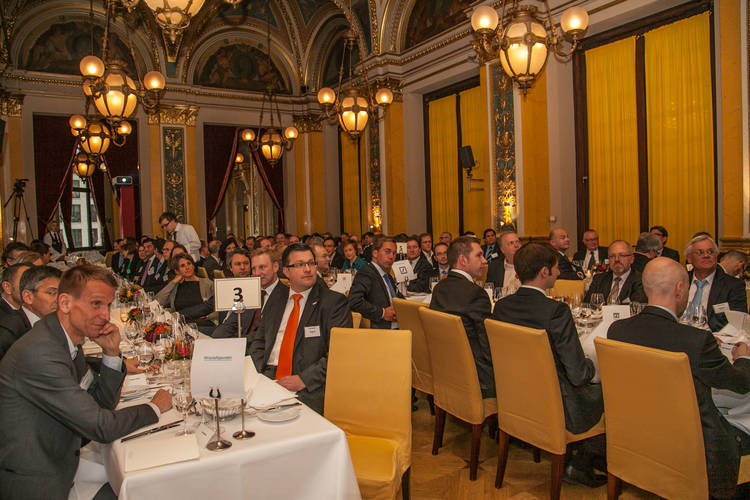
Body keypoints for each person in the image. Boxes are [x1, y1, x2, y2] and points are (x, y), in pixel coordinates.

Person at [0, 264, 171, 499]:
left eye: (108, 305)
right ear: (65, 303)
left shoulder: (64, 339)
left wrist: (111, 353)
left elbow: (101, 404)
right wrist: (154, 407)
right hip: (37, 481)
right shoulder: (42, 352)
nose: (105, 315)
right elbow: (101, 426)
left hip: (62, 458)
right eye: (96, 304)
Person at [608, 257, 750, 499]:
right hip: (697, 446)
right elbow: (739, 383)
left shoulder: (618, 330)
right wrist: (743, 357)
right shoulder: (696, 341)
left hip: (640, 433)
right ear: (680, 288)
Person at [492, 242, 604, 487]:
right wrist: (594, 367)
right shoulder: (555, 312)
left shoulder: (502, 307)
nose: (558, 272)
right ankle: (582, 463)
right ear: (544, 272)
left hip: (516, 397)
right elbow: (577, 374)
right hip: (556, 404)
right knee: (607, 390)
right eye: (555, 268)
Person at [248, 244, 352, 414]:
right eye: (299, 265)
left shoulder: (333, 303)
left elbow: (340, 353)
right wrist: (259, 374)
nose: (307, 269)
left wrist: (303, 379)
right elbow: (259, 340)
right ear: (286, 271)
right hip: (268, 377)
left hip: (306, 384)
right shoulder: (276, 299)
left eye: (311, 263)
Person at [430, 236, 494, 397]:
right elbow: (486, 344)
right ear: (463, 260)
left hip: (445, 368)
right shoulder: (476, 293)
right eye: (479, 255)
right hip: (476, 376)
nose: (484, 260)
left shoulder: (439, 288)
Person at [211, 249, 285, 339]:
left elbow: (267, 332)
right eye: (254, 269)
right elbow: (232, 323)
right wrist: (215, 340)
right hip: (241, 342)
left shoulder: (285, 295)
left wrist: (239, 343)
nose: (257, 273)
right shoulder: (250, 291)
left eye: (262, 267)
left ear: (275, 267)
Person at [684, 235, 747, 332]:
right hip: (680, 333)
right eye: (700, 252)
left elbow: (738, 322)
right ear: (689, 258)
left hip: (713, 336)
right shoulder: (680, 280)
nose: (706, 255)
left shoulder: (733, 285)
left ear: (716, 256)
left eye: (710, 252)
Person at [0, 266, 62, 360]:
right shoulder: (8, 332)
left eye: (61, 293)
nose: (59, 300)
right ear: (28, 297)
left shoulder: (56, 322)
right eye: (51, 293)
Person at [349, 237, 403, 329]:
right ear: (375, 253)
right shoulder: (366, 273)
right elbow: (354, 301)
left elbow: (398, 298)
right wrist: (382, 313)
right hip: (381, 330)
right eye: (387, 252)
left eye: (394, 253)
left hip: (398, 324)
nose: (391, 257)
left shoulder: (387, 276)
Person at [584, 240, 647, 304]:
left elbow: (637, 306)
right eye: (612, 256)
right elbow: (586, 305)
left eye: (622, 255)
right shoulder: (599, 279)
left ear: (631, 259)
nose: (617, 259)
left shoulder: (641, 280)